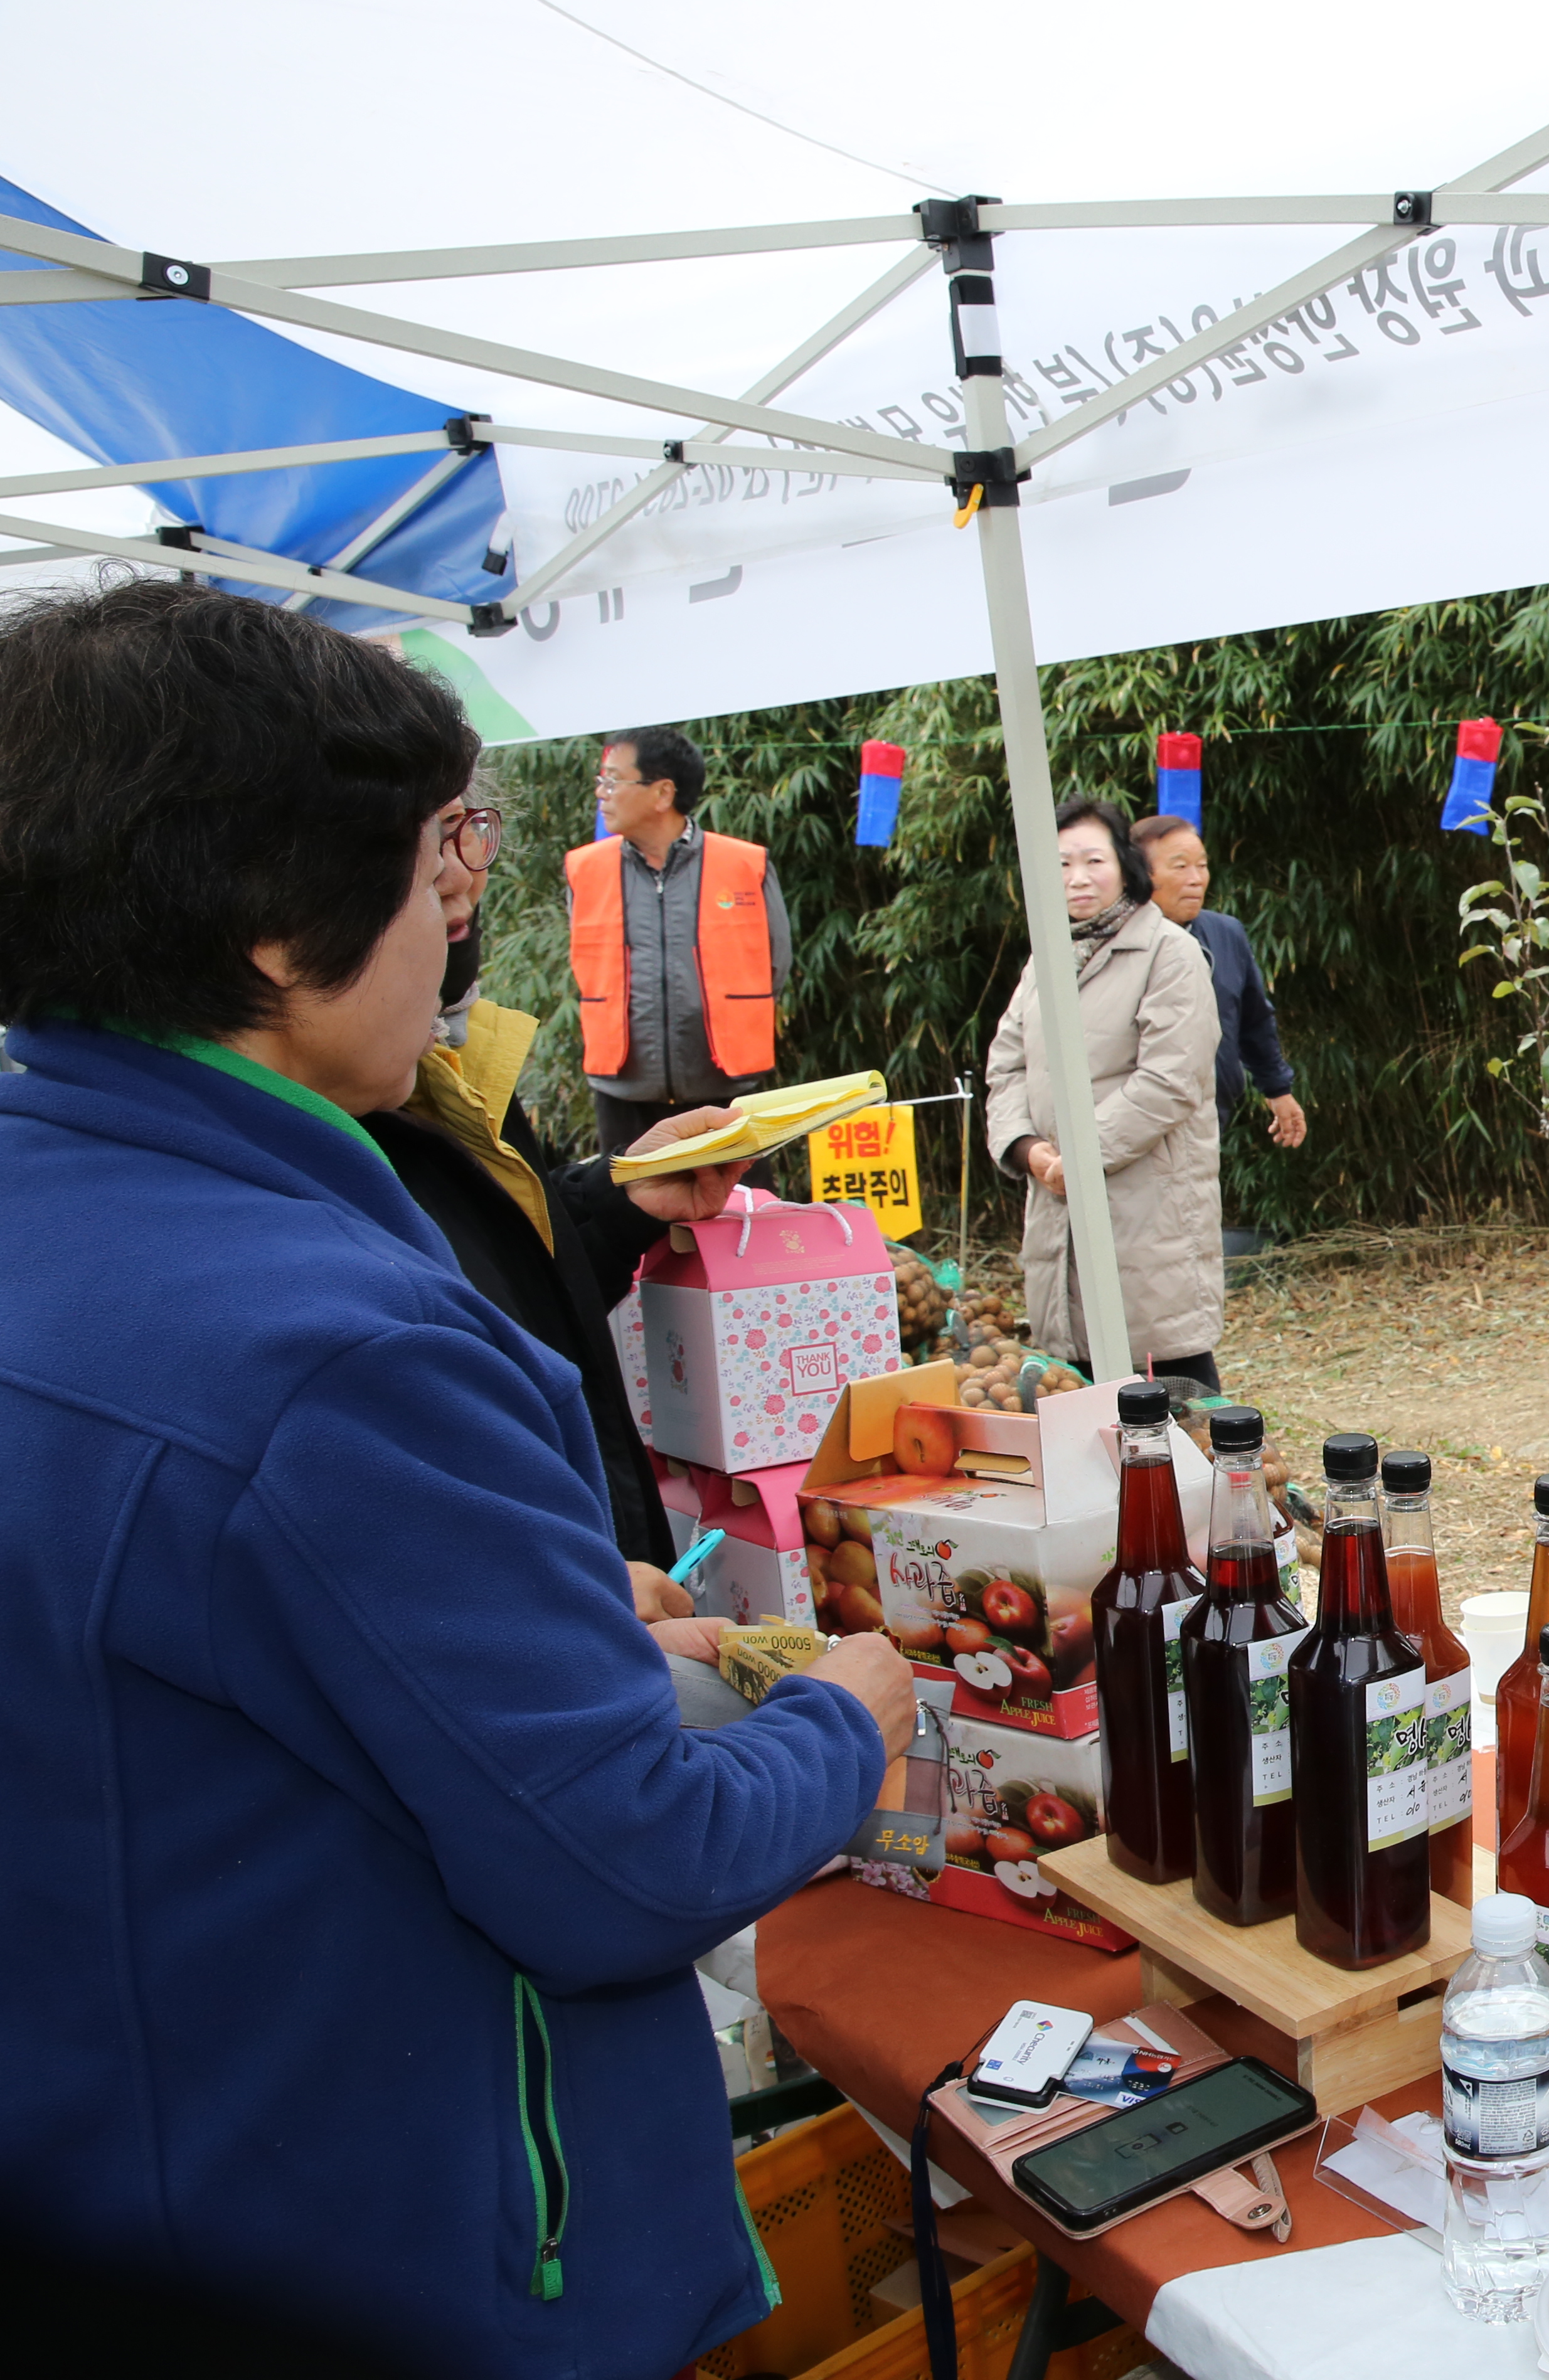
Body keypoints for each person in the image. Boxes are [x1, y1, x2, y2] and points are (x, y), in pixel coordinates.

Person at [0, 580, 912, 2374]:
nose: (456, 908)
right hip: (395, 2254)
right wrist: (854, 1716)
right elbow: (624, 1866)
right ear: (276, 923)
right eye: (437, 854)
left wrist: (557, 1615)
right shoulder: (337, 1348)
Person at [374, 790, 765, 1724]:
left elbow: (507, 1274)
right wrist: (554, 1594)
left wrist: (622, 1197)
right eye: (429, 834)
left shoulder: (451, 1073)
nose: (460, 869)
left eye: (470, 827)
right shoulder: (315, 1154)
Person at [988, 799, 1225, 1389]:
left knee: (1170, 1378)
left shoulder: (1170, 952)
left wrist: (1080, 1158)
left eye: (1094, 859)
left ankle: (1221, 1481)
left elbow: (1171, 1081)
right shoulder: (1047, 957)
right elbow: (1006, 1065)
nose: (1077, 877)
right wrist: (1030, 1152)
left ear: (1124, 864)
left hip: (1146, 1207)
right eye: (1061, 862)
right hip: (1055, 1196)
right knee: (1079, 1384)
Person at [568, 725, 792, 1161]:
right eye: (602, 780)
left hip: (723, 1082)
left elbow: (775, 965)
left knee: (736, 1215)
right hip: (623, 1086)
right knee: (631, 1221)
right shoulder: (584, 870)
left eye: (614, 780)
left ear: (662, 794)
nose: (602, 792)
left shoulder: (746, 864)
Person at [1136, 812, 1307, 1155]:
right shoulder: (1118, 946)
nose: (1196, 879)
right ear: (1138, 875)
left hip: (1209, 1121)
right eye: (1180, 867)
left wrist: (1278, 1089)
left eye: (1202, 866)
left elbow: (1253, 1020)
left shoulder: (1224, 934)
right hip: (1139, 1127)